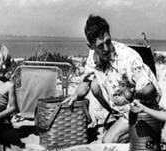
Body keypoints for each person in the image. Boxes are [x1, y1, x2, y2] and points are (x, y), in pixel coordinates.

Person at [65, 15, 159, 143]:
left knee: (108, 142)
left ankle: (149, 127)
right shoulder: (93, 57)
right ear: (91, 46)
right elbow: (86, 82)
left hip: (144, 106)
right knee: (94, 85)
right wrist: (75, 95)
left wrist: (134, 93)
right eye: (100, 45)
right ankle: (123, 121)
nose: (105, 49)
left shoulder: (128, 58)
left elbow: (151, 90)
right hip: (121, 107)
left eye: (108, 42)